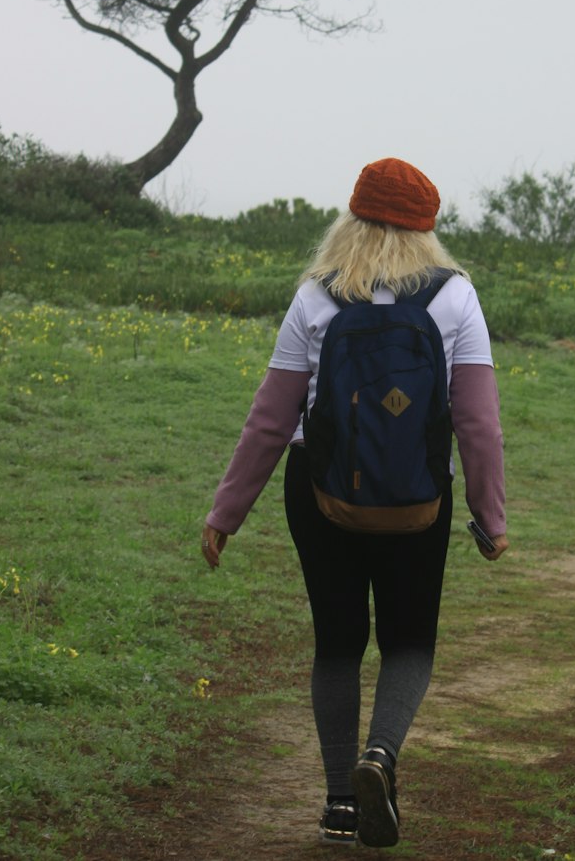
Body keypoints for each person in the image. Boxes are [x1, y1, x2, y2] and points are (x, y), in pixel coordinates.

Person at [201, 157, 508, 849]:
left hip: (319, 490)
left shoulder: (317, 296)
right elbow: (478, 423)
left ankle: (341, 802)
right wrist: (490, 518)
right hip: (419, 498)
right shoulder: (455, 298)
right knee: (409, 642)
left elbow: (271, 420)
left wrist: (226, 514)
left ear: (353, 218)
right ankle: (383, 754)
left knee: (337, 644)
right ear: (427, 229)